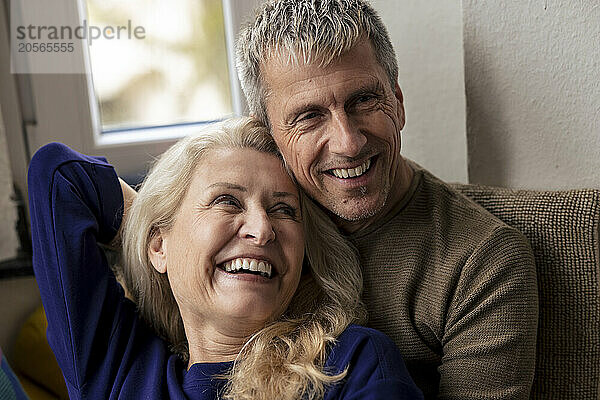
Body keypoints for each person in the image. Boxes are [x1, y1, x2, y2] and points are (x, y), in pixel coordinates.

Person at [235, 1, 539, 398]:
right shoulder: (251, 235)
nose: (348, 143)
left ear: (397, 101)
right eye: (309, 116)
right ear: (266, 132)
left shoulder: (482, 261)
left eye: (363, 100)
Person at [28, 117, 423, 400]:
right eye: (227, 201)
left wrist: (180, 239)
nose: (262, 229)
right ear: (158, 248)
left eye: (284, 210)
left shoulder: (351, 364)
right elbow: (57, 176)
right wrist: (154, 228)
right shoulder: (118, 364)